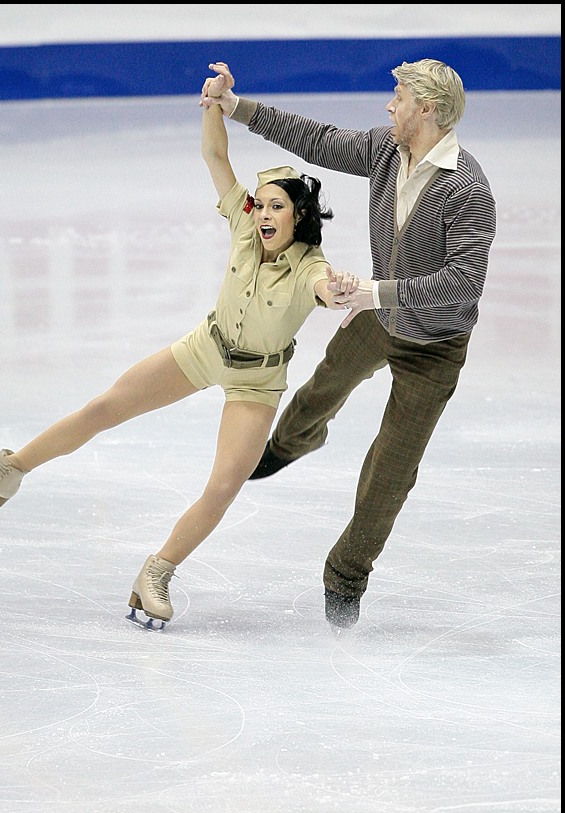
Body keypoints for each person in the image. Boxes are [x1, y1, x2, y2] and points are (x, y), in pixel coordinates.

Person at [0, 70, 357, 629]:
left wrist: (342, 288)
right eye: (263, 205)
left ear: (299, 216)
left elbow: (325, 288)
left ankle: (156, 571)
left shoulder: (310, 267)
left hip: (257, 382)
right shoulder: (244, 222)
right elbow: (214, 155)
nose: (265, 215)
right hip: (207, 347)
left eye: (277, 208)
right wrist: (214, 102)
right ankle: (8, 470)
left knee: (225, 485)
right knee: (103, 408)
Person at [201, 59, 497, 631]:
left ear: (427, 111)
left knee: (392, 468)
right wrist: (236, 108)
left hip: (435, 344)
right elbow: (320, 141)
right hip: (381, 315)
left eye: (400, 97)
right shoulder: (386, 150)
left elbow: (461, 284)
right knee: (326, 382)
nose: (390, 105)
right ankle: (289, 444)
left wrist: (371, 292)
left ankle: (345, 576)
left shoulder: (469, 189)